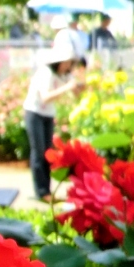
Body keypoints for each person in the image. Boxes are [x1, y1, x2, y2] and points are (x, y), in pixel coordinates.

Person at [24, 34, 85, 200]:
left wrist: (80, 87)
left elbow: (74, 91)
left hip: (47, 114)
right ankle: (41, 191)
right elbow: (45, 97)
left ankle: (47, 191)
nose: (68, 65)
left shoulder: (64, 75)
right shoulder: (46, 73)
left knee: (47, 152)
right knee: (38, 151)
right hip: (35, 113)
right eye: (66, 62)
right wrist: (67, 87)